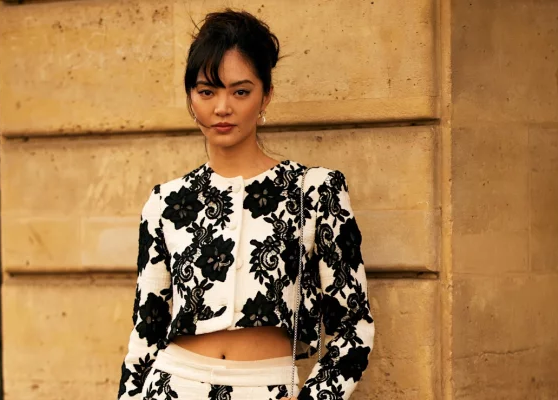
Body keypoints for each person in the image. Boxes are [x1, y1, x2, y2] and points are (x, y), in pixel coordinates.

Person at [117, 9, 375, 400]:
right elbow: (146, 331)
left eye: (240, 91)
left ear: (265, 95)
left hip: (266, 389)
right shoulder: (165, 202)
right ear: (191, 98)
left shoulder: (315, 191)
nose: (222, 107)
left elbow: (354, 325)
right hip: (173, 385)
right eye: (207, 92)